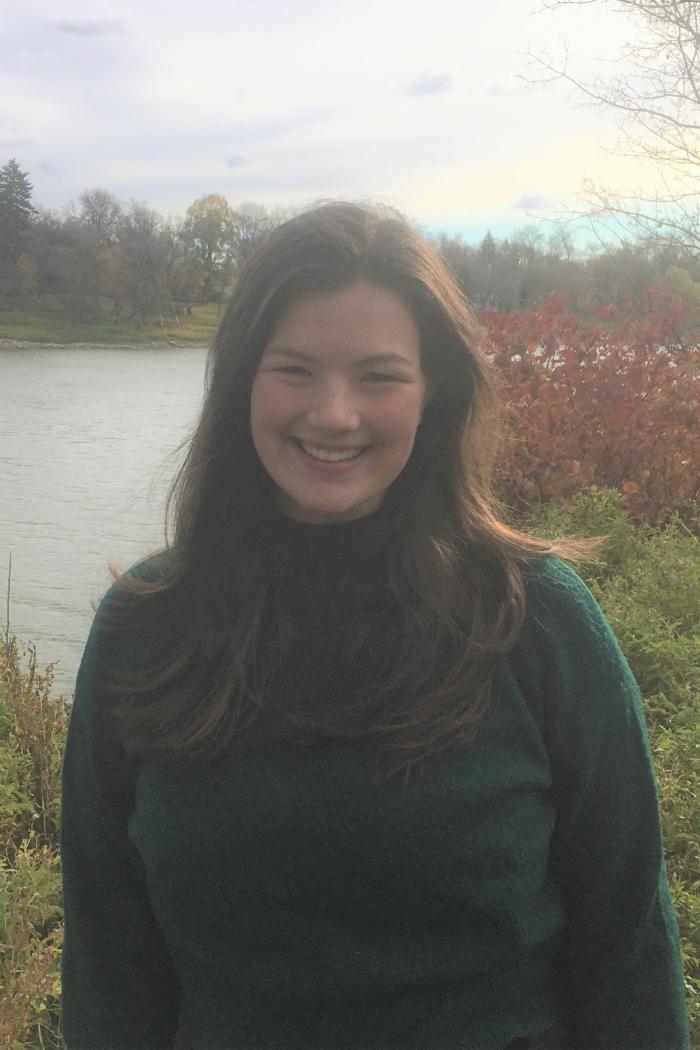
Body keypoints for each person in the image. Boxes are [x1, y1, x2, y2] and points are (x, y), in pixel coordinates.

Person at [60, 202, 690, 1050]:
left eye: (379, 376)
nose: (334, 413)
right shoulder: (147, 629)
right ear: (244, 378)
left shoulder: (537, 620)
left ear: (434, 394)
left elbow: (629, 951)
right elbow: (110, 961)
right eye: (296, 369)